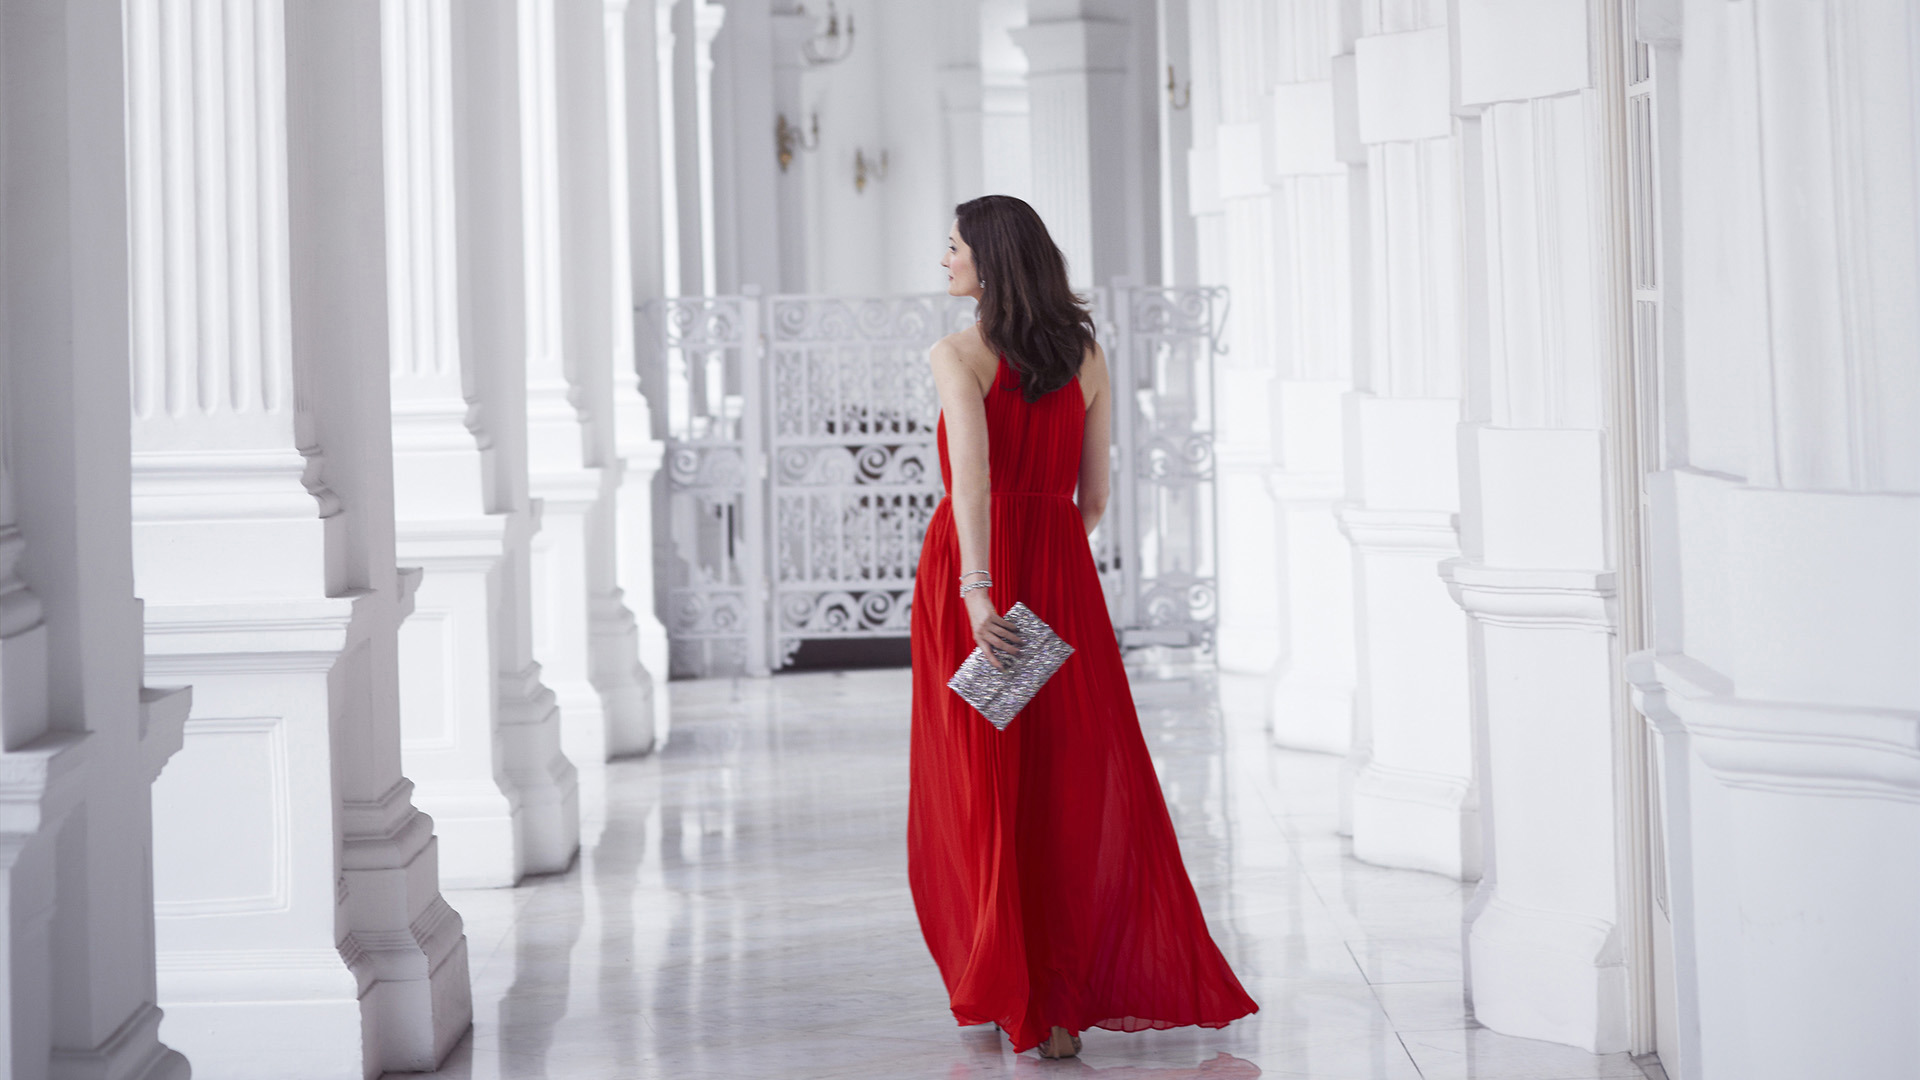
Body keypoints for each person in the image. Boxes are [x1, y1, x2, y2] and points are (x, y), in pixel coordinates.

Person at [907, 195, 1258, 1060]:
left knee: (984, 788)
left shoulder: (957, 355)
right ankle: (1058, 1005)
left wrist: (982, 594)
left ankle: (1010, 989)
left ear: (988, 261)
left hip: (975, 591)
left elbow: (972, 490)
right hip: (1058, 584)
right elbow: (1093, 500)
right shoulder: (1086, 353)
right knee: (1067, 783)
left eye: (951, 248)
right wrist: (1046, 565)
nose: (942, 260)